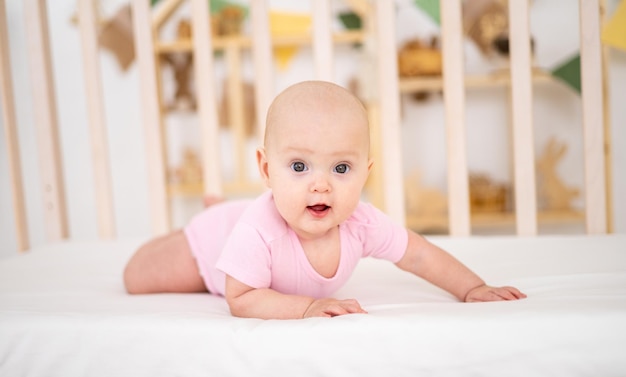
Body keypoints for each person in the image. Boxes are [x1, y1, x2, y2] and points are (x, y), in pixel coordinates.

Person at [124, 80, 526, 319]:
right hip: (213, 244)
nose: (321, 186)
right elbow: (241, 298)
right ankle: (208, 218)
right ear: (266, 170)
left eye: (340, 169)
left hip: (240, 225)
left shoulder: (361, 223)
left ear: (366, 174)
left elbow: (418, 254)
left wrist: (472, 288)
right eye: (299, 167)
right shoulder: (260, 229)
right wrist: (306, 309)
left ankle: (221, 208)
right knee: (137, 278)